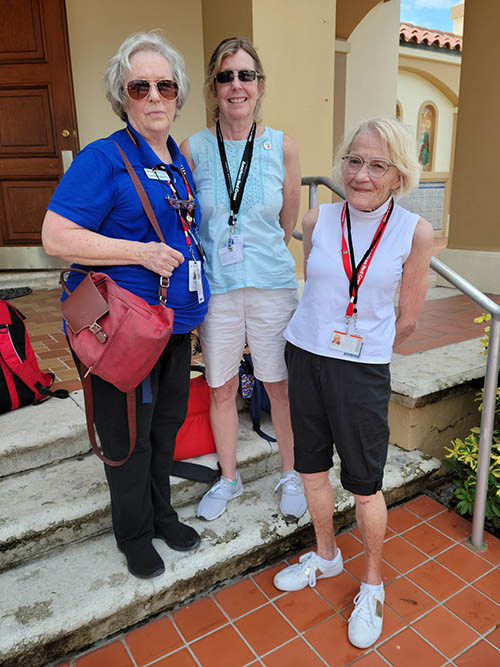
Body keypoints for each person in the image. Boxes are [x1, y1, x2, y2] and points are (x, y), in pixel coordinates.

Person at [41, 31, 209, 579]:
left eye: (165, 84)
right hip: (125, 329)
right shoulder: (103, 158)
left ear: (178, 93)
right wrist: (136, 252)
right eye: (141, 86)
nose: (155, 95)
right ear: (123, 95)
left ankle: (161, 513)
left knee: (165, 428)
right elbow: (56, 236)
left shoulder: (176, 161)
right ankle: (133, 531)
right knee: (128, 435)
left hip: (174, 325)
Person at [273, 117, 433, 649]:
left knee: (364, 485)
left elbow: (407, 318)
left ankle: (371, 582)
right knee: (311, 468)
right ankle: (325, 553)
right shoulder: (320, 219)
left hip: (361, 369)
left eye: (377, 165)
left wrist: (361, 341)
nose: (361, 174)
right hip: (306, 355)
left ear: (398, 175)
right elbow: (318, 289)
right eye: (354, 161)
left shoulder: (414, 231)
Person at [180, 37, 306, 521]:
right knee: (221, 387)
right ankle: (228, 478)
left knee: (279, 386)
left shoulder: (283, 146)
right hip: (219, 290)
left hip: (273, 285)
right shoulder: (193, 148)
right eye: (226, 76)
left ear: (259, 86)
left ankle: (291, 472)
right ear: (214, 87)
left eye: (245, 75)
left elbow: (286, 221)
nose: (236, 85)